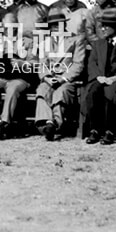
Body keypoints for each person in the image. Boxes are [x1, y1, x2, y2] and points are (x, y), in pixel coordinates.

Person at [0, 11, 36, 140]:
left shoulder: (28, 42)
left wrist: (22, 63)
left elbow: (35, 63)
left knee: (13, 89)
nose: (9, 30)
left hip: (19, 78)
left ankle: (5, 122)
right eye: (6, 28)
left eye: (12, 27)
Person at [83, 8, 116, 145]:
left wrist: (115, 78)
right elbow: (92, 62)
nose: (102, 29)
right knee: (93, 90)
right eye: (101, 25)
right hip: (101, 78)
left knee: (111, 91)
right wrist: (98, 76)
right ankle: (94, 129)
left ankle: (111, 130)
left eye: (106, 26)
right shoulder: (99, 43)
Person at [34, 11, 85, 140]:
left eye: (59, 25)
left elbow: (78, 64)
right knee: (42, 90)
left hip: (67, 79)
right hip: (50, 78)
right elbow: (42, 64)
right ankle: (45, 123)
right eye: (53, 26)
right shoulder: (45, 42)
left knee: (61, 92)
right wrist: (47, 78)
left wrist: (62, 79)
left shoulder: (76, 40)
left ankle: (55, 123)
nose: (56, 28)